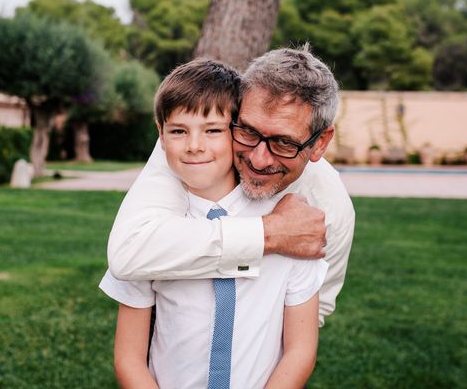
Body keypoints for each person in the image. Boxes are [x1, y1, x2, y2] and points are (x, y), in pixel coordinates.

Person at [100, 59, 328, 387]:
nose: (194, 146)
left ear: (237, 132)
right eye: (179, 131)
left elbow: (300, 350)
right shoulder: (150, 228)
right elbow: (129, 357)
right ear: (160, 135)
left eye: (213, 131)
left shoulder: (292, 224)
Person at [107, 45, 355, 326]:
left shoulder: (331, 208)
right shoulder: (192, 149)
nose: (259, 160)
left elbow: (314, 311)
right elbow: (128, 252)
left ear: (320, 142)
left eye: (284, 143)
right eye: (248, 131)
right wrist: (268, 233)